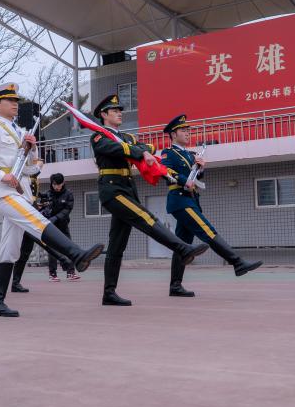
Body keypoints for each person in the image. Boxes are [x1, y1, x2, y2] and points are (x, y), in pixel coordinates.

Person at [0, 82, 104, 317]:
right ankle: (75, 254)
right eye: (10, 100)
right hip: (3, 192)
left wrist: (31, 150)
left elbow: (31, 169)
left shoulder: (21, 132)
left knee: (9, 250)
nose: (15, 104)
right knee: (37, 220)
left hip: (20, 190)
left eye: (16, 100)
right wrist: (1, 175)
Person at [90, 94, 208, 306]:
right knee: (145, 217)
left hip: (127, 188)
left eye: (120, 110)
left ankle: (109, 293)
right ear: (104, 115)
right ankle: (182, 248)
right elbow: (114, 149)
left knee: (117, 245)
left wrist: (141, 151)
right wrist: (139, 152)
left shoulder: (126, 137)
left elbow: (149, 148)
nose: (120, 113)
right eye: (115, 110)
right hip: (112, 190)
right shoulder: (99, 136)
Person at [160, 114, 262, 297]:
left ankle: (175, 286)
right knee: (207, 230)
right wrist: (183, 180)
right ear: (173, 134)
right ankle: (237, 263)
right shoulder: (169, 153)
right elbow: (164, 171)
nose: (187, 133)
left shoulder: (190, 154)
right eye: (183, 130)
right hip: (180, 200)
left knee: (182, 244)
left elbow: (195, 177)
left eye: (188, 130)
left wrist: (201, 168)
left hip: (191, 199)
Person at [44, 173, 78, 282]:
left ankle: (70, 272)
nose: (56, 187)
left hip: (63, 225)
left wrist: (56, 218)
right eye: (54, 184)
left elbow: (67, 209)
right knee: (52, 250)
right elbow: (44, 208)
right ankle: (52, 274)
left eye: (58, 184)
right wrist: (46, 212)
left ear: (63, 183)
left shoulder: (68, 194)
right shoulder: (48, 194)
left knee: (69, 248)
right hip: (51, 227)